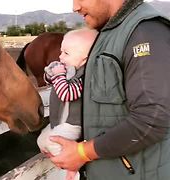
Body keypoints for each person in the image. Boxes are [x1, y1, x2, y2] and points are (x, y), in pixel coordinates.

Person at [48, 0, 170, 180]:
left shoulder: (143, 32)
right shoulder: (109, 33)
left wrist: (82, 152)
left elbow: (151, 118)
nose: (75, 7)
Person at [37, 28, 98, 180]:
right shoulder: (70, 70)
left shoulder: (83, 77)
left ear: (84, 59)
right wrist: (51, 73)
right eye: (61, 51)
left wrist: (59, 75)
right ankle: (60, 161)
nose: (60, 56)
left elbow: (66, 94)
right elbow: (51, 81)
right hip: (60, 122)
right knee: (41, 141)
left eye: (66, 53)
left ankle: (73, 168)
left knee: (52, 143)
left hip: (72, 124)